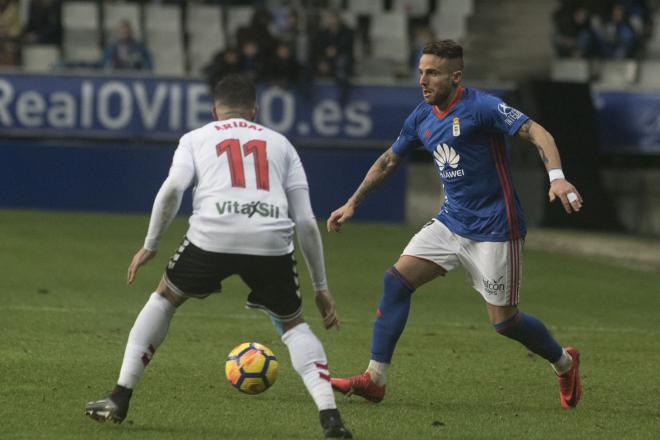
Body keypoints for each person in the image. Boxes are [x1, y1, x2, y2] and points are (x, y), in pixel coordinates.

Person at [85, 75, 352, 439]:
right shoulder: (282, 144)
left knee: (164, 298)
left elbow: (173, 189)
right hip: (270, 240)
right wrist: (321, 287)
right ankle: (330, 418)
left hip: (211, 235)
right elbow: (305, 220)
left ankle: (119, 396)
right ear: (255, 111)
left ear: (214, 111)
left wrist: (150, 243)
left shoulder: (195, 138)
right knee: (293, 326)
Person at [326, 40, 583, 410]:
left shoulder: (482, 107)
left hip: (496, 227)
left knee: (504, 323)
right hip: (451, 221)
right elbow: (388, 161)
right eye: (420, 72)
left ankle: (565, 362)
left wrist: (556, 177)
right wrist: (352, 202)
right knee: (395, 281)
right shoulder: (422, 117)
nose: (423, 80)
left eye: (432, 73)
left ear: (455, 76)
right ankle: (375, 379)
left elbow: (538, 133)